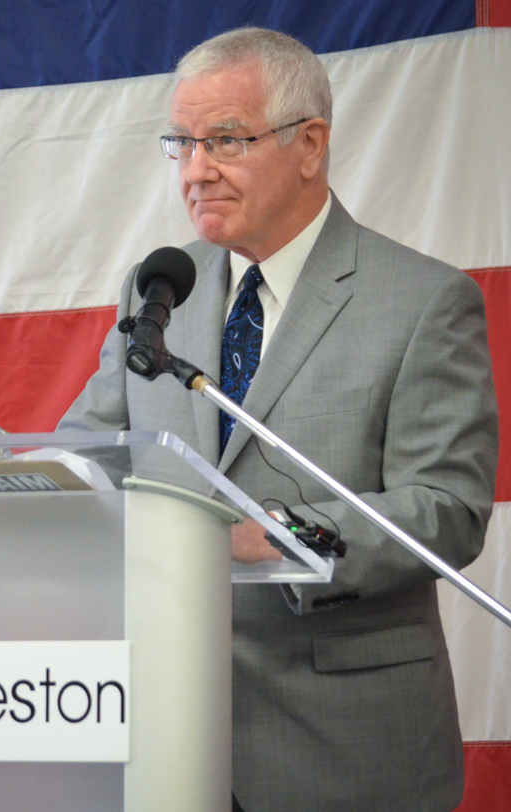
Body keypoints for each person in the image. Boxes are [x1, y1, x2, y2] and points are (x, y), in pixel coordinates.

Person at [59, 27, 499, 812]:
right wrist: (22, 486)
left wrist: (280, 533)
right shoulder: (160, 290)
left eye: (225, 139)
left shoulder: (424, 300)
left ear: (310, 144)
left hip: (342, 747)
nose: (196, 171)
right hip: (165, 735)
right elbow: (94, 451)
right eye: (182, 144)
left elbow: (448, 509)